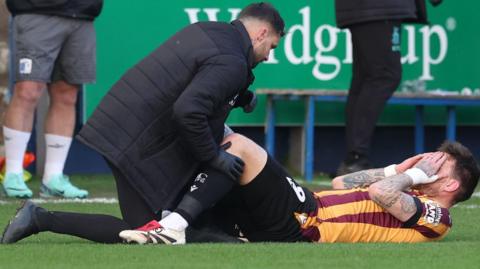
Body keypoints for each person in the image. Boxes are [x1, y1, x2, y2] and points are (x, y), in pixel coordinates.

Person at [1, 2, 286, 244]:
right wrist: (213, 157)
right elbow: (189, 111)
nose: (269, 55)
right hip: (134, 138)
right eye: (271, 46)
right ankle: (39, 219)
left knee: (150, 228)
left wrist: (235, 96)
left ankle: (39, 218)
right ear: (261, 33)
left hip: (124, 127)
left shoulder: (213, 31)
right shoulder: (232, 60)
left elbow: (190, 85)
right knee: (144, 232)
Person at [2, 134, 478, 244]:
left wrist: (411, 178)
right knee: (142, 233)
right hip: (293, 212)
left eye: (437, 164)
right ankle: (41, 219)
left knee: (243, 149)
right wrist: (402, 164)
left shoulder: (438, 218)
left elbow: (384, 197)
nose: (426, 164)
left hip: (302, 223)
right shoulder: (401, 179)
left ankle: (176, 218)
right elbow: (343, 183)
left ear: (451, 184)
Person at [1, 0, 103, 198]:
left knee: (67, 94)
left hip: (82, 14)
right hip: (35, 10)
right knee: (27, 90)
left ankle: (53, 178)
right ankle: (13, 173)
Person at [335, 0, 443, 175]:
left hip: (368, 9)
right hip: (379, 8)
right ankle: (356, 158)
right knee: (384, 75)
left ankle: (354, 158)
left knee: (366, 78)